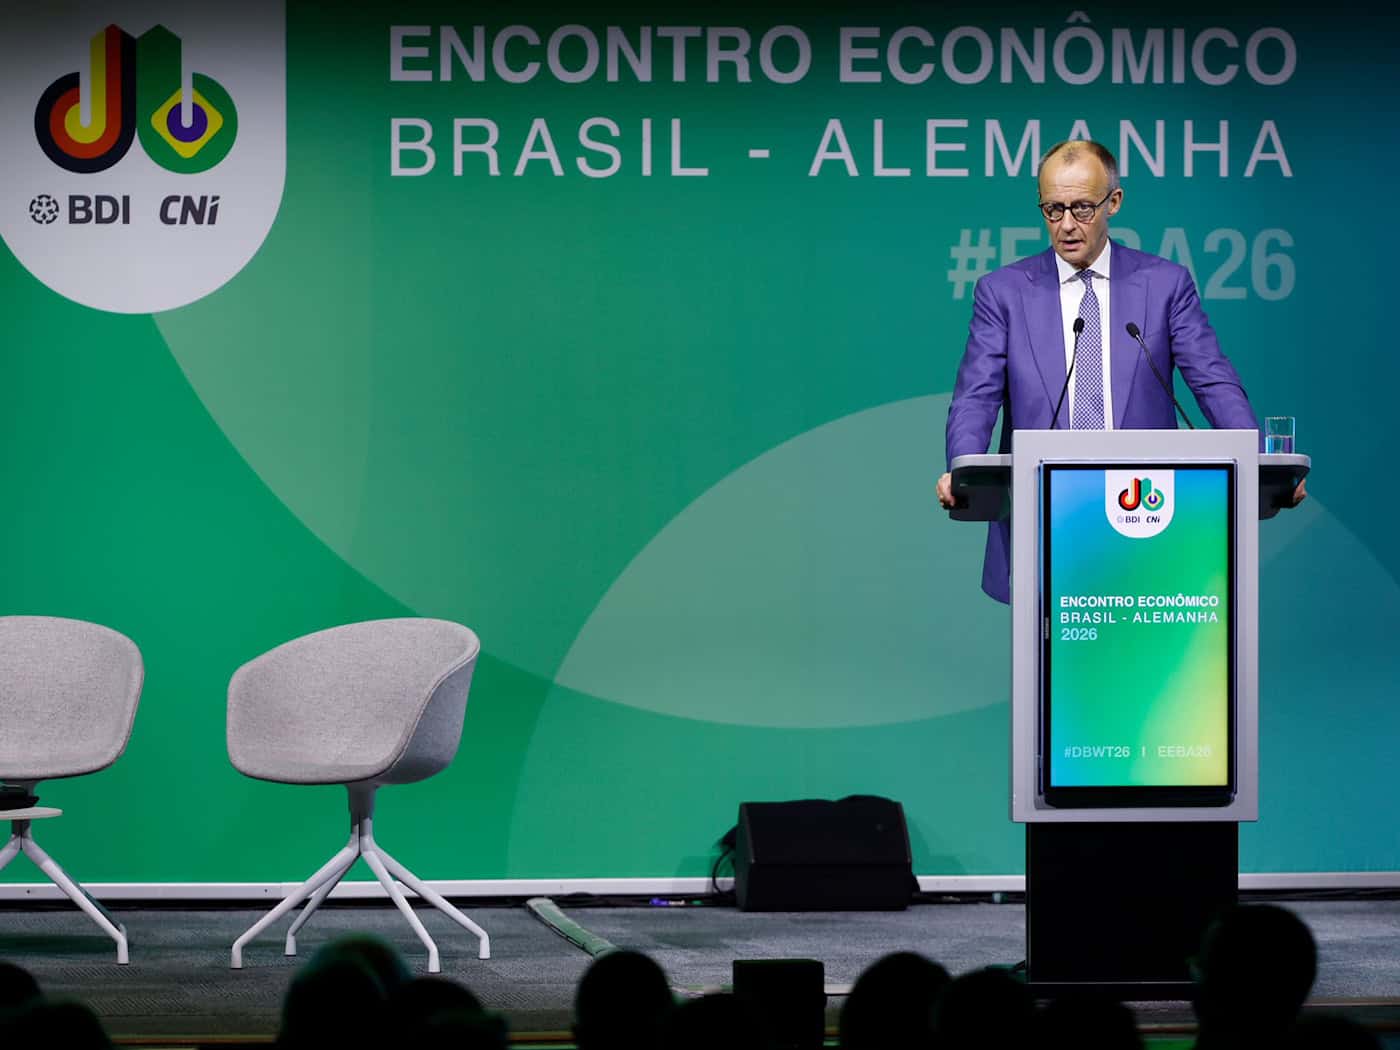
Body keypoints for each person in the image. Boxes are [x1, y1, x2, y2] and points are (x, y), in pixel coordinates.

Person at [936, 139, 1305, 602]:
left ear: (1114, 202)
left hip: (1149, 510)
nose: (1067, 224)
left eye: (1083, 208)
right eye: (1053, 209)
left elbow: (1212, 381)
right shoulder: (1003, 292)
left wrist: (1258, 467)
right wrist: (962, 468)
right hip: (1047, 513)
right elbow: (976, 395)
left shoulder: (1165, 285)